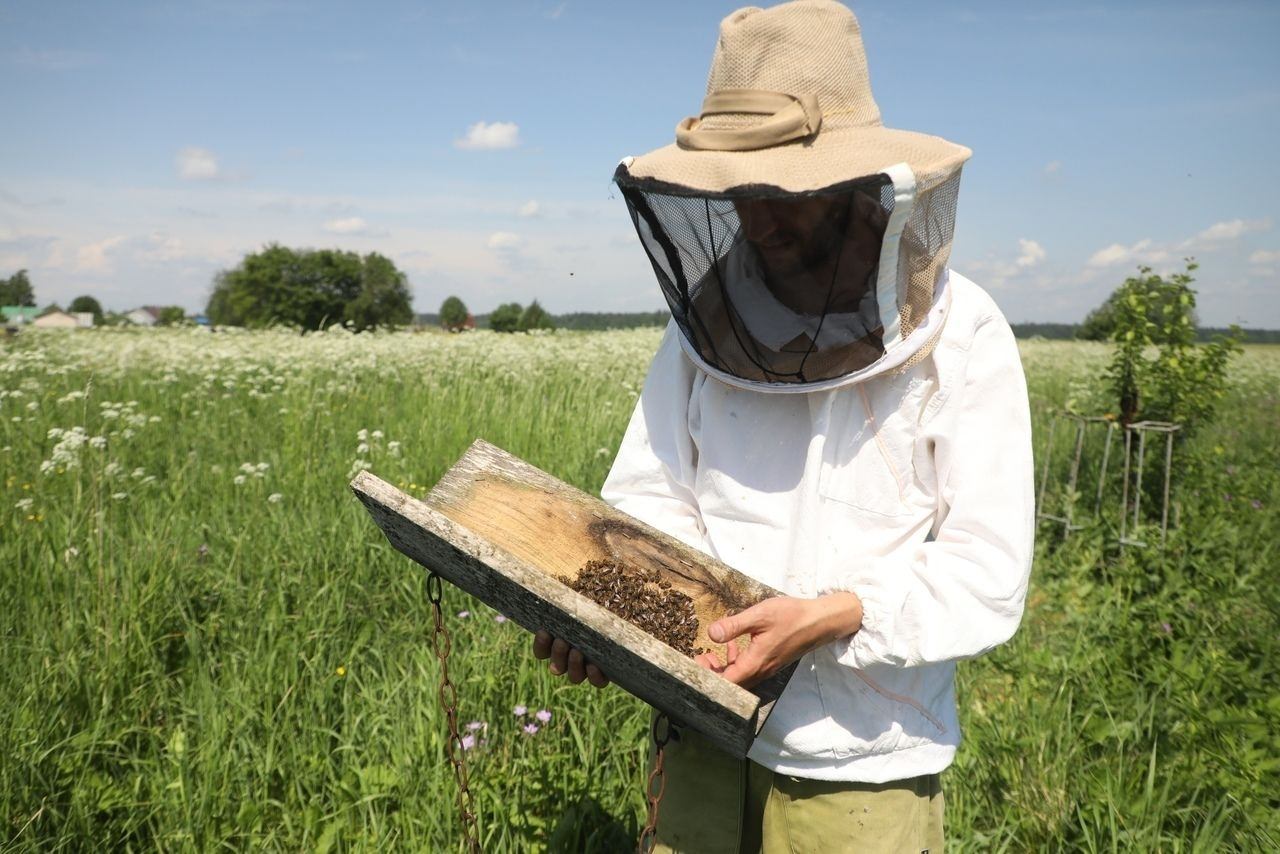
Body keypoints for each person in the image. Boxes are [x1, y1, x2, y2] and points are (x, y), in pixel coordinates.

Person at [532, 1, 1034, 850]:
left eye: (784, 194)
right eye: (738, 195)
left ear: (856, 187)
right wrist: (606, 624)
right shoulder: (705, 329)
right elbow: (649, 502)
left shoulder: (965, 332)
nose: (758, 217)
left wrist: (837, 614)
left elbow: (987, 572)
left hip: (860, 758)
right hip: (699, 726)